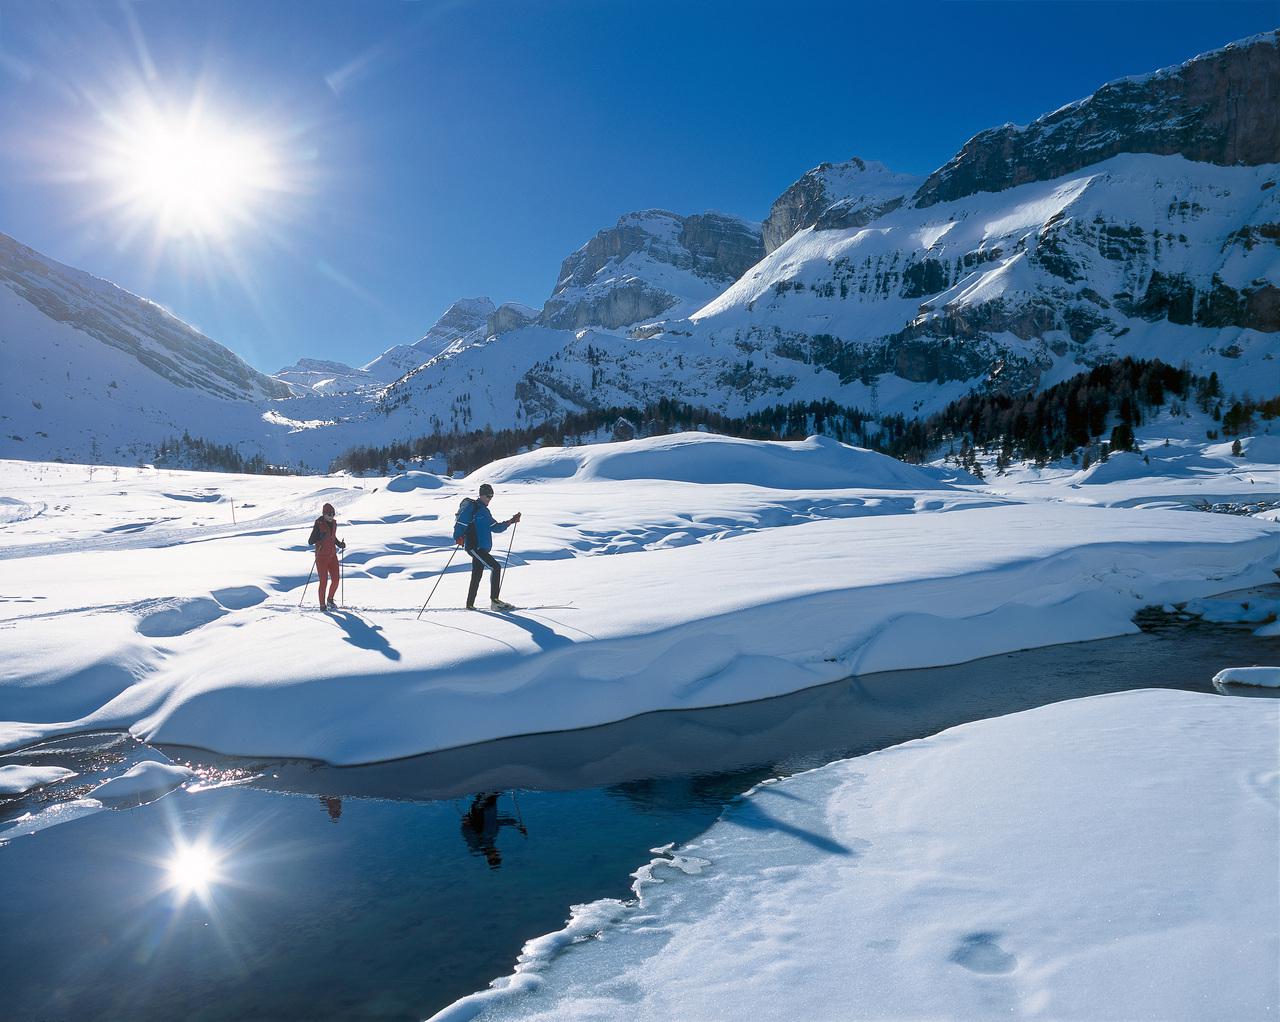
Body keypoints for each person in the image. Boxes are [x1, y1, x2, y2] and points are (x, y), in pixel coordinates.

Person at [454, 483, 520, 611]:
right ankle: (495, 601)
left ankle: (470, 604)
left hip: (482, 548)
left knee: (477, 574)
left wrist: (511, 521)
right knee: (495, 567)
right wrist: (458, 537)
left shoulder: (485, 511)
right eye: (488, 496)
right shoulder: (472, 508)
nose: (490, 499)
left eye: (492, 496)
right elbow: (460, 523)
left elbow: (495, 527)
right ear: (481, 495)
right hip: (474, 546)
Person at [307, 502, 346, 611]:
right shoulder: (318, 524)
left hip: (332, 556)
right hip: (321, 557)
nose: (331, 516)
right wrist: (319, 536)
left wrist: (339, 544)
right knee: (323, 581)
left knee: (336, 580)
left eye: (333, 514)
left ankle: (330, 600)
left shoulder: (333, 523)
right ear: (324, 514)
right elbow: (310, 541)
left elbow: (332, 537)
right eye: (329, 514)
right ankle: (322, 605)